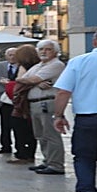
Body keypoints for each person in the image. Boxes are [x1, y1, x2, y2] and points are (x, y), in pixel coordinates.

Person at [52, 25, 97, 192]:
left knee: (84, 158)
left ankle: (86, 191)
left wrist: (59, 115)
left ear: (94, 41)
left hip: (87, 119)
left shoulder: (79, 62)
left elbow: (63, 91)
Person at [19, 39, 65, 175]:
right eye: (41, 49)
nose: (44, 52)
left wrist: (32, 81)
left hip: (48, 102)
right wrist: (35, 83)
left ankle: (56, 164)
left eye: (48, 49)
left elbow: (29, 79)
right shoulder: (38, 65)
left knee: (51, 134)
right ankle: (47, 161)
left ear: (56, 52)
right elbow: (20, 78)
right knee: (41, 135)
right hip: (35, 103)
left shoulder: (56, 65)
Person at [7, 44, 40, 164]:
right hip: (32, 102)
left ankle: (22, 154)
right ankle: (30, 154)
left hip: (22, 103)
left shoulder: (23, 68)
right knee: (31, 131)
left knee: (19, 128)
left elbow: (19, 83)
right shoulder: (39, 66)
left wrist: (11, 84)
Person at [0, 47, 18, 154]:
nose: (12, 57)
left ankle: (20, 147)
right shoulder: (0, 66)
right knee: (5, 124)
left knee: (17, 124)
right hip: (3, 98)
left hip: (17, 99)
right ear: (6, 56)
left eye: (14, 55)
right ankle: (5, 146)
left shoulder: (22, 66)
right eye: (10, 55)